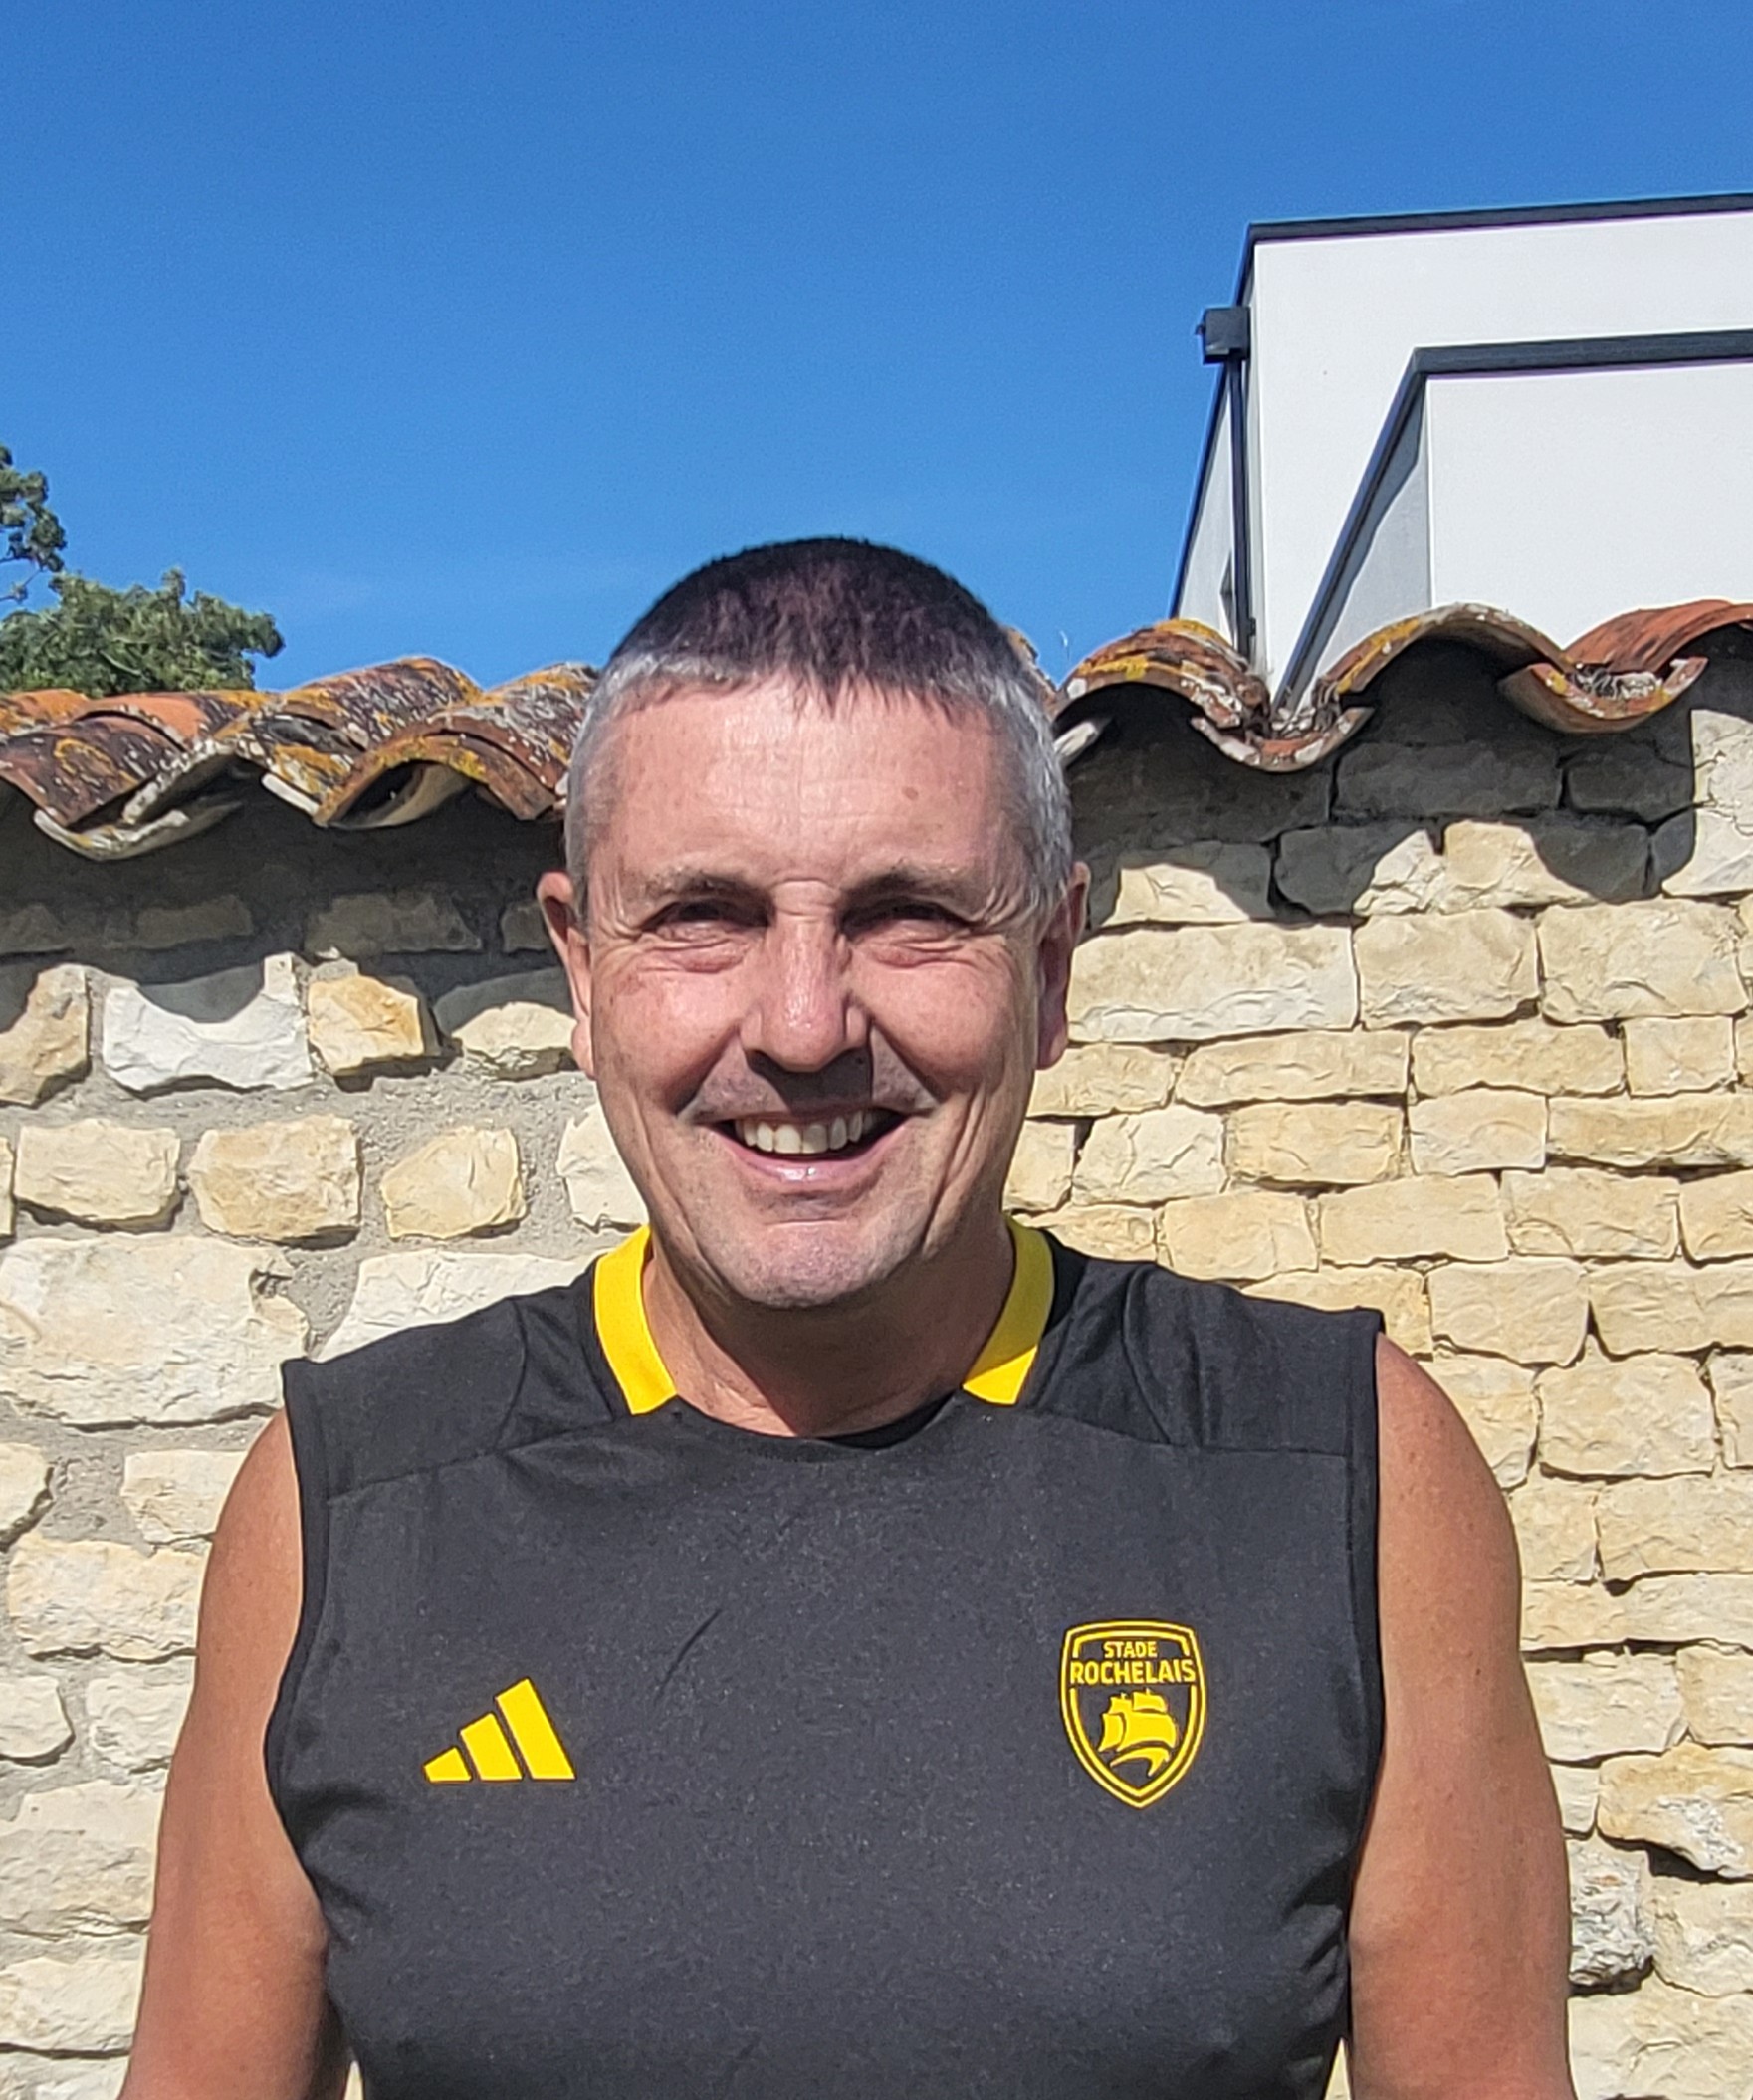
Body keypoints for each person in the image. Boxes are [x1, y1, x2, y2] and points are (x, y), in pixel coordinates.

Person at [124, 539, 1573, 2099]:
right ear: (583, 972)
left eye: (906, 913)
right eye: (703, 914)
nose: (804, 1024)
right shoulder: (341, 1513)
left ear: (1049, 968)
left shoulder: (1341, 1476)